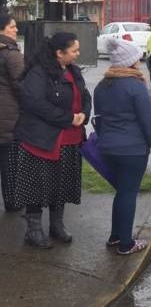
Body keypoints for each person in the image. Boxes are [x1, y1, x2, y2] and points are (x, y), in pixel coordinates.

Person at [13, 32, 91, 249]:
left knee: (62, 184)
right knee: (37, 186)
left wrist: (84, 113)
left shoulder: (73, 71)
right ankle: (34, 230)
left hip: (70, 139)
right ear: (59, 53)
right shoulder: (38, 73)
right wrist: (68, 118)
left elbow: (85, 96)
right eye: (74, 50)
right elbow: (34, 103)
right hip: (43, 140)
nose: (78, 54)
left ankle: (57, 225)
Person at [92, 38, 151, 255]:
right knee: (128, 193)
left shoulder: (102, 86)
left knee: (122, 192)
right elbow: (148, 122)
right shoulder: (136, 87)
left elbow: (100, 119)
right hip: (132, 151)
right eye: (137, 59)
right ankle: (126, 244)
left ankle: (116, 236)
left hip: (107, 148)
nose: (140, 63)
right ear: (130, 62)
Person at [0, 14, 24, 212]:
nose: (16, 30)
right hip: (8, 114)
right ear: (2, 29)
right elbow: (20, 85)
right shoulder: (11, 53)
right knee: (9, 160)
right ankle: (12, 201)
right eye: (12, 27)